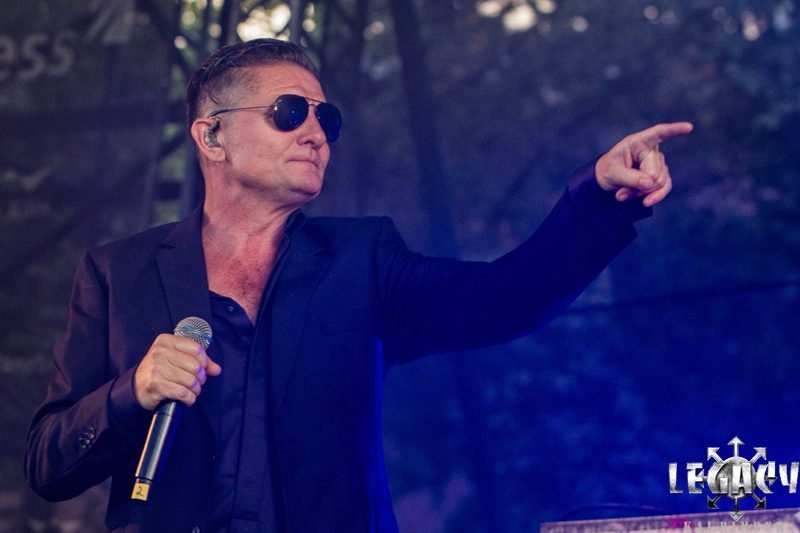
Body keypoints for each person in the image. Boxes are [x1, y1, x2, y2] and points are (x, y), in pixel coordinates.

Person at [25, 38, 693, 532]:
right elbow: (48, 464)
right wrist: (131, 392)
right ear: (212, 136)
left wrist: (596, 198)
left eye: (328, 120)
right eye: (290, 112)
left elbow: (505, 297)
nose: (316, 134)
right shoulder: (118, 271)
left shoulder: (361, 259)